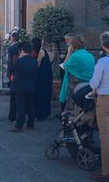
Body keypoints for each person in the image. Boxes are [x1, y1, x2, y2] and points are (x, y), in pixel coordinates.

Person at [89, 31, 109, 181]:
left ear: (103, 45)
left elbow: (94, 83)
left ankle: (106, 170)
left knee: (105, 135)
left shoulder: (103, 62)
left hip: (105, 99)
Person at [59, 35, 95, 110]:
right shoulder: (90, 55)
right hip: (88, 84)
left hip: (76, 85)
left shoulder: (75, 56)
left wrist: (69, 52)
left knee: (73, 106)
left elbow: (65, 66)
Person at [9, 42, 38, 132]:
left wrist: (18, 59)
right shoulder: (34, 61)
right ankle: (30, 124)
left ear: (21, 50)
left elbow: (12, 69)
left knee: (21, 107)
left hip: (20, 87)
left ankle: (19, 126)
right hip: (30, 86)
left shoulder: (20, 61)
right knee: (30, 106)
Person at [31, 38, 53, 121]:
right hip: (47, 75)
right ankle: (45, 112)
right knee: (45, 93)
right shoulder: (46, 51)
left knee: (40, 94)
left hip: (42, 76)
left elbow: (37, 64)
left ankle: (40, 114)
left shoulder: (41, 52)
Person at [6, 31, 21, 122]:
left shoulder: (12, 47)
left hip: (13, 73)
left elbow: (11, 61)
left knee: (13, 96)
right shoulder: (19, 46)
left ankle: (12, 116)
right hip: (15, 72)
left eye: (11, 37)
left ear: (13, 38)